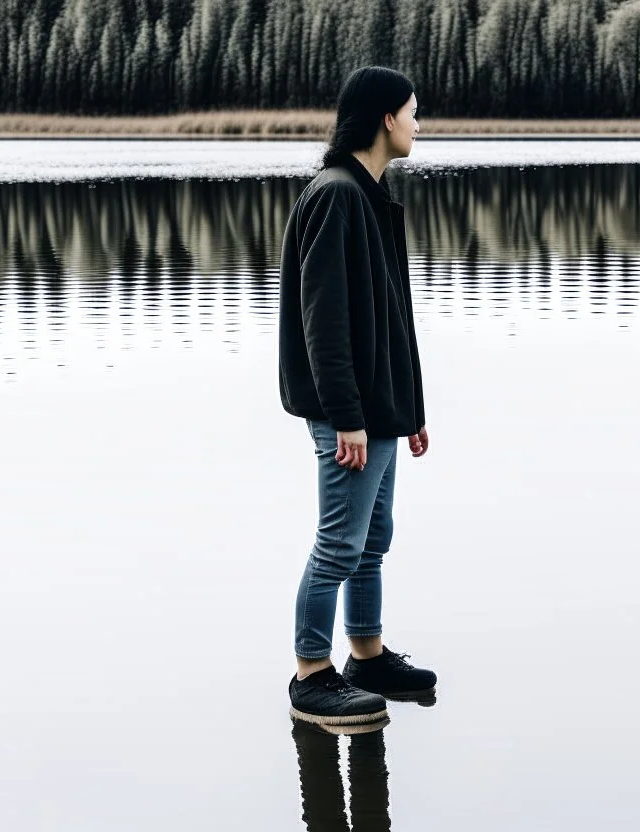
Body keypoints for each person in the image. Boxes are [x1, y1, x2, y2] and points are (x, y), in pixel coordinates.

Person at [279, 66, 436, 726]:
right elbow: (325, 321)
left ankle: (366, 657)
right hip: (349, 414)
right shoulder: (336, 195)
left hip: (380, 409)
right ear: (385, 119)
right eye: (413, 112)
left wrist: (410, 411)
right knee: (339, 544)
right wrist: (346, 417)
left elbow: (393, 317)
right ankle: (311, 674)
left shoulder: (369, 195)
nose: (419, 124)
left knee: (373, 539)